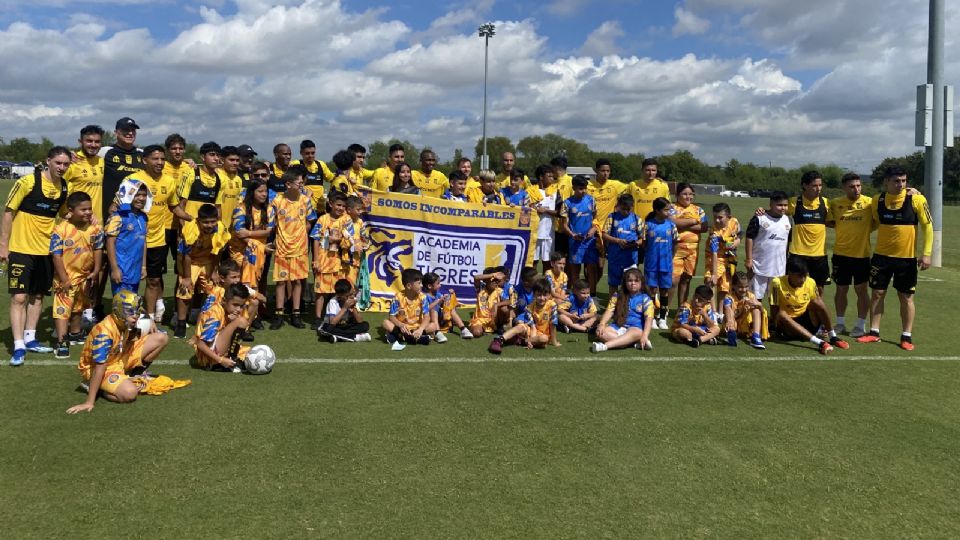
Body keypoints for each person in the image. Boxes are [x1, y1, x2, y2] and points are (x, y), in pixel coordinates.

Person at [1, 146, 70, 364]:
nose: (62, 167)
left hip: (46, 251)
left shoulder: (64, 187)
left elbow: (63, 214)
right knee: (19, 297)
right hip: (21, 248)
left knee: (38, 296)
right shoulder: (27, 182)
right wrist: (3, 245)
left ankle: (31, 338)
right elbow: (8, 212)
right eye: (58, 163)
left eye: (66, 164)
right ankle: (18, 344)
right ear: (48, 161)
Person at [857, 166, 934, 351]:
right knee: (877, 294)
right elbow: (875, 222)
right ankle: (874, 333)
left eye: (904, 181)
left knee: (906, 297)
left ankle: (906, 336)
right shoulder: (877, 200)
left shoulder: (916, 199)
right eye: (896, 181)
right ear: (886, 182)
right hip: (881, 257)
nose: (901, 184)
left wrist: (927, 253)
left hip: (906, 259)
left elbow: (928, 226)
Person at [67, 290, 169, 413]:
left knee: (161, 338)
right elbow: (100, 367)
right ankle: (98, 388)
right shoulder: (103, 334)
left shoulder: (121, 318)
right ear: (119, 312)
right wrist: (89, 402)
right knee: (130, 393)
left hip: (119, 356)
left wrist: (149, 319)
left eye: (136, 312)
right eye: (131, 312)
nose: (136, 316)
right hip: (100, 368)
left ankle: (133, 375)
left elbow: (138, 309)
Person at [127, 145, 186, 323]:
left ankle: (149, 320)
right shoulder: (132, 179)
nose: (160, 162)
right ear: (145, 160)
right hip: (134, 240)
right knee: (130, 282)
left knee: (153, 281)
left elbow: (174, 206)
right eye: (155, 159)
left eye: (162, 159)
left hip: (157, 239)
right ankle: (126, 318)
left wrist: (192, 219)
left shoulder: (169, 181)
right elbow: (118, 205)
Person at [50, 192, 104, 359]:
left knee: (79, 306)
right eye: (83, 210)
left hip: (84, 276)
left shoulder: (95, 229)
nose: (88, 212)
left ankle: (75, 333)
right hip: (65, 278)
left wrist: (95, 271)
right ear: (71, 210)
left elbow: (98, 249)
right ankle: (61, 341)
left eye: (89, 209)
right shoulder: (60, 229)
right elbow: (56, 255)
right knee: (63, 309)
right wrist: (64, 278)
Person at [827, 173, 874, 337]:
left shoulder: (870, 202)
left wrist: (913, 191)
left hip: (862, 255)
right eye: (852, 186)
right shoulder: (835, 203)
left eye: (859, 185)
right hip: (840, 254)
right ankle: (840, 323)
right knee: (841, 289)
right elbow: (829, 222)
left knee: (861, 290)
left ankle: (860, 325)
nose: (856, 189)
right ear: (844, 188)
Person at [270, 166, 316, 330]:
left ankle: (296, 314)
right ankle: (279, 314)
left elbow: (310, 221)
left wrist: (301, 234)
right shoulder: (277, 201)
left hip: (300, 248)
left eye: (302, 182)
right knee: (281, 282)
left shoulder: (305, 200)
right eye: (299, 182)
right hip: (282, 248)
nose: (302, 184)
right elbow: (271, 224)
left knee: (297, 281)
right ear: (288, 184)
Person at [771, 257, 849, 355]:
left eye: (805, 275)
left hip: (809, 323)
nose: (803, 280)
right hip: (789, 328)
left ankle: (833, 337)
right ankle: (819, 343)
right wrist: (775, 327)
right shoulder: (777, 283)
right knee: (781, 314)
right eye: (799, 276)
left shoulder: (810, 282)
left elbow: (817, 307)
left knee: (818, 301)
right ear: (790, 273)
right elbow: (774, 309)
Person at [174, 203, 230, 338]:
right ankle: (181, 323)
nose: (209, 225)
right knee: (185, 289)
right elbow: (186, 256)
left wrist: (215, 270)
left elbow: (218, 251)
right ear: (198, 221)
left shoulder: (221, 228)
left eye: (212, 222)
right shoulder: (190, 229)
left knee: (215, 289)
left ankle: (214, 319)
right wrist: (187, 278)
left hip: (208, 260)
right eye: (205, 222)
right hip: (190, 261)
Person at [230, 176, 275, 321]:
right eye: (260, 191)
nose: (264, 194)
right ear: (252, 192)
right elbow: (238, 233)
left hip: (259, 252)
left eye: (265, 191)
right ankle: (242, 318)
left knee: (254, 282)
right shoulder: (240, 208)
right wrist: (257, 243)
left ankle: (250, 317)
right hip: (239, 252)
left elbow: (268, 231)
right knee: (244, 285)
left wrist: (249, 234)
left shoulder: (269, 209)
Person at [590, 268, 654, 352]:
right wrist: (602, 324)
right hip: (618, 326)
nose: (633, 283)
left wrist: (645, 335)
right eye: (630, 280)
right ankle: (631, 342)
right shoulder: (617, 295)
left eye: (636, 281)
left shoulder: (645, 299)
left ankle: (604, 346)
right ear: (625, 282)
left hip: (635, 328)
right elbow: (610, 310)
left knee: (636, 333)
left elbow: (649, 319)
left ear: (641, 283)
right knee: (601, 333)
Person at [488, 278, 559, 354]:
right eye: (539, 295)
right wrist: (532, 339)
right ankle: (499, 340)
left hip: (543, 335)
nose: (542, 298)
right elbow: (533, 327)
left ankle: (522, 341)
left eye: (545, 295)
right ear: (534, 294)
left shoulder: (552, 305)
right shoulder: (529, 308)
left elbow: (553, 325)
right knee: (520, 326)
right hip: (532, 332)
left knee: (544, 339)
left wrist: (554, 342)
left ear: (549, 295)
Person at [788, 170, 831, 295]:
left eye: (820, 185)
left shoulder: (826, 203)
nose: (818, 188)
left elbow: (833, 222)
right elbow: (777, 213)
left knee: (819, 289)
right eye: (814, 185)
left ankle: (816, 314)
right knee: (795, 288)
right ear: (804, 185)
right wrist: (762, 210)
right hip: (798, 254)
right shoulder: (794, 202)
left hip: (819, 255)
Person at [105, 178, 150, 295]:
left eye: (144, 195)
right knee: (122, 305)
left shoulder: (143, 217)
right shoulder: (118, 216)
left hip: (136, 268)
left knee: (132, 302)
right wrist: (115, 269)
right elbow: (110, 242)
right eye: (137, 194)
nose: (141, 198)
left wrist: (144, 266)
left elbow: (143, 241)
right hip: (122, 268)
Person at [192, 283, 252, 371]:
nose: (238, 309)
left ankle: (230, 359)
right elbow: (200, 343)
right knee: (241, 321)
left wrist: (231, 322)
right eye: (235, 305)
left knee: (251, 352)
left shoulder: (228, 311)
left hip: (217, 348)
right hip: (207, 358)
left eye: (241, 306)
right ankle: (228, 362)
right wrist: (220, 360)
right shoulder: (215, 312)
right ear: (224, 300)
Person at [744, 191, 791, 303]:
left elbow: (789, 242)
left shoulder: (788, 220)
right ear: (771, 204)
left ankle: (774, 321)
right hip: (759, 267)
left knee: (775, 301)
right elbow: (749, 237)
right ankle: (754, 321)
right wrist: (749, 259)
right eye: (779, 205)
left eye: (785, 205)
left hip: (778, 270)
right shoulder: (759, 218)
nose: (782, 208)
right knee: (755, 299)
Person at [310, 191, 347, 327]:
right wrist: (315, 259)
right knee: (320, 291)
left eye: (343, 206)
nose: (340, 208)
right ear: (330, 204)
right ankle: (318, 318)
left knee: (336, 291)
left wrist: (340, 240)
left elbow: (350, 239)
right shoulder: (322, 219)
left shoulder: (346, 220)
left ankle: (333, 316)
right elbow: (315, 238)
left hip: (339, 261)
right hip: (324, 259)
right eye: (338, 205)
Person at [668, 183, 706, 312]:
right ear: (677, 195)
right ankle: (664, 310)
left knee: (686, 280)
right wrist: (693, 221)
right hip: (676, 248)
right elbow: (672, 222)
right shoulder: (672, 207)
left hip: (693, 250)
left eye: (690, 194)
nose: (688, 196)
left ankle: (681, 309)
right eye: (684, 194)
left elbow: (704, 227)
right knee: (673, 280)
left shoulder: (698, 210)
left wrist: (682, 224)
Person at [644, 197, 678, 329]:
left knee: (664, 290)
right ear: (657, 210)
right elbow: (644, 243)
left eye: (669, 209)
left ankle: (662, 318)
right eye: (666, 209)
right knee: (652, 290)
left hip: (666, 264)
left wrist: (671, 257)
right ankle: (651, 318)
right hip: (652, 263)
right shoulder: (648, 225)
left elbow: (676, 242)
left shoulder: (671, 225)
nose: (669, 212)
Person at [628, 158, 671, 263]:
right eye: (647, 170)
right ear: (642, 170)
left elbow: (668, 208)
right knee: (633, 263)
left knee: (653, 264)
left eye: (653, 170)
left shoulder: (663, 186)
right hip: (636, 230)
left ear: (657, 171)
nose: (650, 173)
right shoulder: (633, 185)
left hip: (655, 229)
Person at [101, 117, 143, 223]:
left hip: (135, 213)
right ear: (116, 133)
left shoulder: (142, 154)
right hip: (110, 211)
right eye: (125, 130)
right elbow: (84, 157)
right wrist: (72, 155)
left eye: (133, 130)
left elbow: (161, 163)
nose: (130, 133)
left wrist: (185, 161)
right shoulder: (105, 151)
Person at [561, 175, 598, 294]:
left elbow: (596, 217)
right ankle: (576, 295)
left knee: (591, 269)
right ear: (573, 188)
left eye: (584, 188)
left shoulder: (591, 200)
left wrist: (593, 228)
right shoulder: (567, 203)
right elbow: (564, 225)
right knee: (575, 270)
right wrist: (572, 234)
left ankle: (592, 295)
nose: (583, 191)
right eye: (580, 189)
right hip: (575, 241)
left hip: (590, 241)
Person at [602, 193, 642, 299]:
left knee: (631, 283)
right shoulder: (612, 217)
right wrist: (618, 241)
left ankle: (629, 306)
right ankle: (613, 307)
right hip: (615, 256)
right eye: (623, 209)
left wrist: (635, 243)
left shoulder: (637, 219)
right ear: (619, 205)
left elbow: (643, 238)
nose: (626, 211)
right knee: (613, 283)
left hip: (631, 258)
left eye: (628, 209)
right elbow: (604, 234)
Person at [63, 125, 106, 221]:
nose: (93, 145)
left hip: (97, 223)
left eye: (97, 142)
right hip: (77, 222)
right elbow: (58, 189)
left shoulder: (102, 162)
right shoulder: (72, 162)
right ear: (80, 142)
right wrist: (66, 212)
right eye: (89, 141)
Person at [704, 202, 740, 314]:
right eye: (715, 217)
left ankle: (720, 313)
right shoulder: (714, 232)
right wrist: (714, 273)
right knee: (710, 281)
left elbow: (740, 234)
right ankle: (713, 312)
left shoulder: (734, 222)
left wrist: (737, 242)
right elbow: (714, 253)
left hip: (729, 259)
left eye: (720, 217)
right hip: (715, 259)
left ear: (729, 217)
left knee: (725, 287)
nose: (717, 220)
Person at [383, 268, 431, 347]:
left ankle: (401, 337)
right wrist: (400, 325)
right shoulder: (398, 297)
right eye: (419, 283)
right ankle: (414, 338)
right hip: (402, 328)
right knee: (386, 323)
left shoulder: (423, 297)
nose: (422, 285)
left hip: (417, 328)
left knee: (433, 326)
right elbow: (392, 317)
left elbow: (427, 317)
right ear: (409, 286)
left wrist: (420, 329)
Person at [177, 141, 224, 221]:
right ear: (203, 157)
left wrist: (219, 228)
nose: (216, 158)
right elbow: (181, 205)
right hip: (190, 228)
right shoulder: (191, 174)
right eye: (212, 155)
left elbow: (218, 208)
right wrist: (183, 228)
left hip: (208, 229)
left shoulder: (220, 180)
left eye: (218, 155)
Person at [721, 272, 768, 349]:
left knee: (756, 308)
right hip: (732, 325)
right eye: (740, 287)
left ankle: (756, 337)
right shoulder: (729, 297)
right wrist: (730, 321)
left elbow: (763, 313)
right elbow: (728, 309)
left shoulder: (751, 296)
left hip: (747, 329)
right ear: (733, 286)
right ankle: (731, 334)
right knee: (729, 315)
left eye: (746, 286)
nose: (744, 290)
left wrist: (760, 306)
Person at [317, 278, 372, 343]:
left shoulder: (352, 299)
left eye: (350, 294)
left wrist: (353, 307)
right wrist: (344, 308)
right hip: (333, 326)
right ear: (339, 295)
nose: (349, 297)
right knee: (327, 329)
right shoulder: (333, 302)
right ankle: (354, 337)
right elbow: (332, 322)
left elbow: (360, 321)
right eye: (346, 296)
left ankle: (338, 337)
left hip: (345, 326)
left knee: (365, 325)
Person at [422, 272, 472, 341]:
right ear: (430, 286)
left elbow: (444, 306)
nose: (440, 285)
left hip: (441, 319)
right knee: (434, 309)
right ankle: (437, 333)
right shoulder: (425, 297)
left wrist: (450, 299)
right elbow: (426, 309)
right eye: (438, 283)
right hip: (430, 321)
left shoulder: (438, 294)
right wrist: (438, 301)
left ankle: (463, 329)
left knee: (451, 309)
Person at [293, 139, 332, 210]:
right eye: (307, 153)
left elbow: (332, 179)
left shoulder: (321, 164)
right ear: (301, 153)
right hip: (304, 208)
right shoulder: (296, 164)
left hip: (320, 209)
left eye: (313, 153)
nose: (310, 156)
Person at [533, 164, 559, 272]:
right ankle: (531, 286)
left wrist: (546, 211)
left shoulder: (556, 192)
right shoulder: (531, 191)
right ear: (541, 177)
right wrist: (535, 209)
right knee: (533, 261)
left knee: (547, 262)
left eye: (553, 176)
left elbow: (560, 212)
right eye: (549, 176)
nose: (552, 179)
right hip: (534, 232)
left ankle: (546, 286)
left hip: (549, 233)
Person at [469, 268, 506, 338]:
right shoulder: (480, 288)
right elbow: (476, 278)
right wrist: (493, 275)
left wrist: (497, 305)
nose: (496, 282)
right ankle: (480, 329)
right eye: (493, 280)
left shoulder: (500, 291)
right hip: (480, 319)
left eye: (497, 280)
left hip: (494, 320)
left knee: (505, 308)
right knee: (477, 333)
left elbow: (509, 302)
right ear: (486, 280)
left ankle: (500, 326)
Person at [217, 146, 245, 233]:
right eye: (231, 160)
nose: (235, 163)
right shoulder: (216, 176)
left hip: (233, 227)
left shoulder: (238, 179)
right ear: (222, 160)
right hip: (218, 226)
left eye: (237, 160)